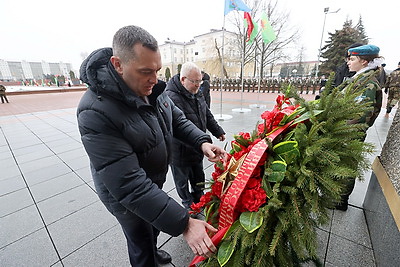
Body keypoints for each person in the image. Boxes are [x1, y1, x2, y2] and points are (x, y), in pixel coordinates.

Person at [77, 25, 226, 266]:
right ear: (118, 64)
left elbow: (176, 118)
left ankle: (154, 251)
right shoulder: (95, 111)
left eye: (156, 70)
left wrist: (202, 142)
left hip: (151, 180)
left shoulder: (152, 88)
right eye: (146, 71)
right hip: (125, 195)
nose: (154, 79)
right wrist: (185, 224)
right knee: (140, 242)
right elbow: (128, 184)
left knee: (153, 226)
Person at [165, 62, 225, 210]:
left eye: (200, 81)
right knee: (182, 182)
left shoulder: (197, 92)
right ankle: (188, 205)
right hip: (179, 151)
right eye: (194, 81)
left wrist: (218, 131)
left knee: (198, 178)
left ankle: (200, 201)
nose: (198, 85)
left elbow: (206, 113)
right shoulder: (170, 96)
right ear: (183, 79)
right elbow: (179, 126)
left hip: (198, 147)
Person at [336, 44, 383, 211]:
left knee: (347, 164)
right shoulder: (359, 77)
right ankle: (336, 195)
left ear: (364, 61)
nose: (349, 62)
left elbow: (361, 115)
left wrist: (340, 127)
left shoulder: (368, 83)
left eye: (353, 59)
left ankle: (340, 200)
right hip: (344, 130)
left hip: (350, 132)